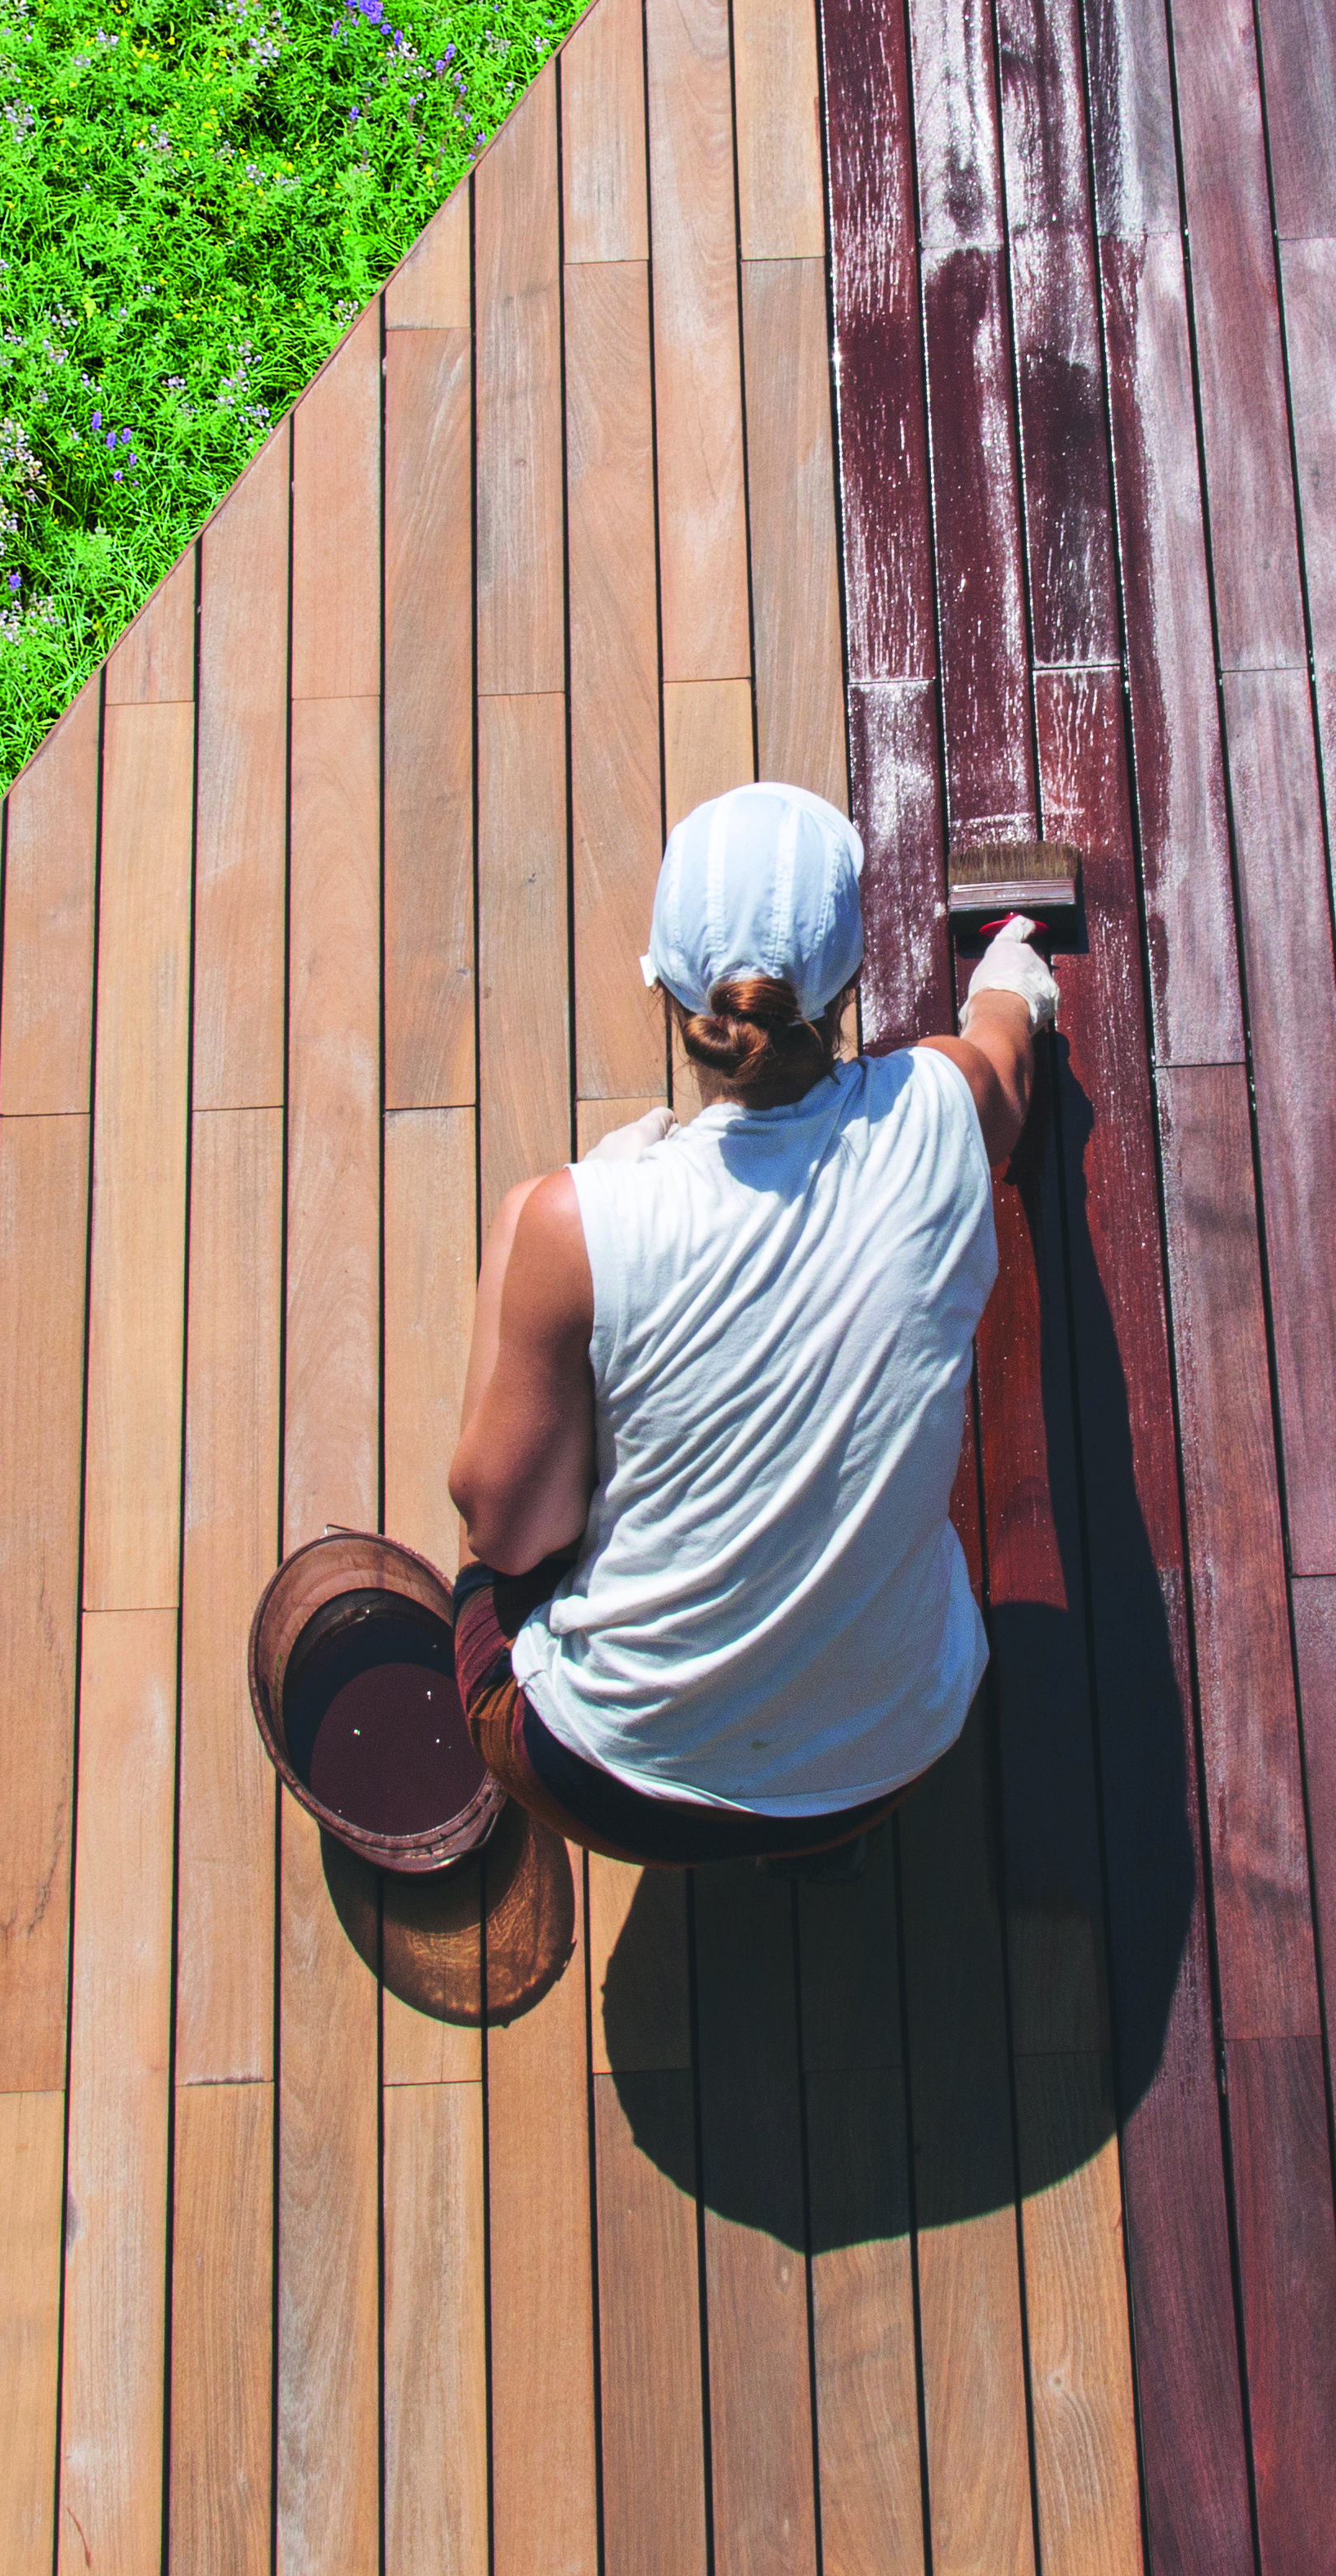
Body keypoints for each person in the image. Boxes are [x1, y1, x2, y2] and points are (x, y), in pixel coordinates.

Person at [440, 783, 1059, 1873]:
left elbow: (506, 1534)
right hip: (888, 1758)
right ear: (849, 988)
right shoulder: (943, 1112)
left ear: (669, 991)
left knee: (509, 1470)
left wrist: (553, 1226)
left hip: (609, 1782)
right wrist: (1012, 967)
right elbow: (1005, 1058)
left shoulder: (577, 1224)